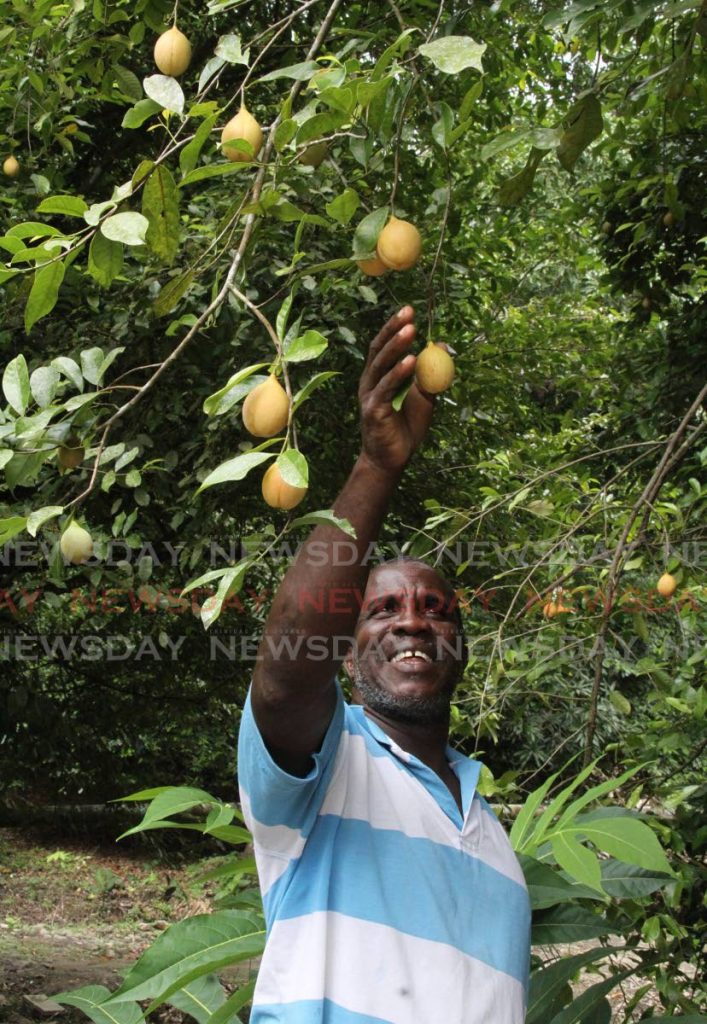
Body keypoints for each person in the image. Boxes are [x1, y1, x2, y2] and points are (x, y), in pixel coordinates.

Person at [238, 306, 531, 1023]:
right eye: (383, 609)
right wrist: (376, 466)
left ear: (461, 645)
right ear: (342, 641)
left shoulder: (496, 845)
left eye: (436, 609)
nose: (411, 620)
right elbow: (282, 677)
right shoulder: (325, 771)